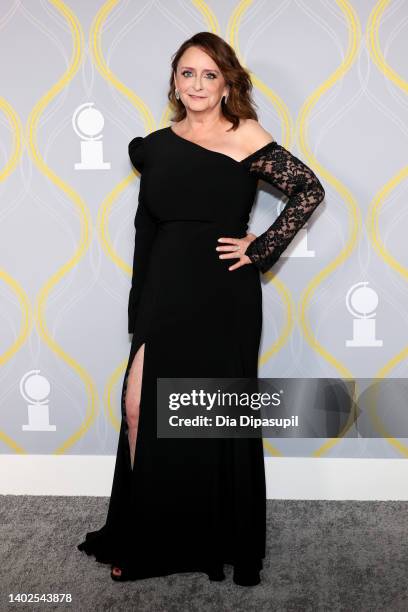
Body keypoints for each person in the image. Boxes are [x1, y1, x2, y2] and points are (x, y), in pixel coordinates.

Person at [77, 31, 325, 587]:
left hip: (222, 294)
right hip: (165, 292)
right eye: (187, 73)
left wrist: (259, 248)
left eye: (209, 75)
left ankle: (214, 537)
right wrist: (141, 308)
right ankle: (145, 531)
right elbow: (148, 231)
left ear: (226, 83)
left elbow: (309, 189)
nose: (196, 84)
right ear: (174, 80)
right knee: (141, 408)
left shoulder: (246, 136)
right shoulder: (156, 147)